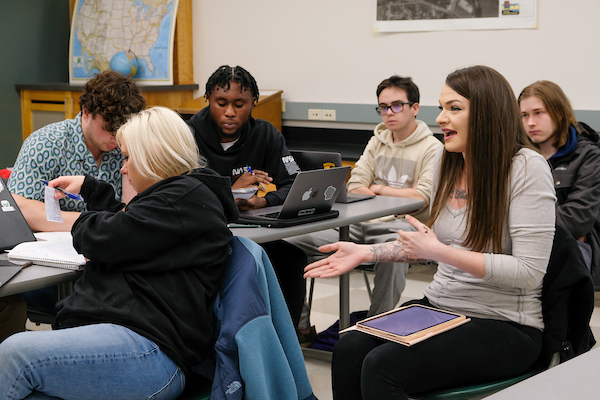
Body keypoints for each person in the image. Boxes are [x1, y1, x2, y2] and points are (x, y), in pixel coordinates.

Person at [304, 65, 556, 400]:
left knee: (382, 366)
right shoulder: (447, 162)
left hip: (506, 322)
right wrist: (367, 252)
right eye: (441, 108)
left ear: (487, 114)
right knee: (349, 346)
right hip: (441, 306)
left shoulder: (526, 167)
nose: (440, 118)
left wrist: (440, 252)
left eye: (454, 108)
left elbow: (529, 273)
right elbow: (428, 245)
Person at [0, 106, 239, 400]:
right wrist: (91, 189)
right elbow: (134, 231)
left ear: (152, 155)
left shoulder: (185, 198)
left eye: (127, 158)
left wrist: (84, 221)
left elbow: (107, 237)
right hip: (133, 340)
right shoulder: (175, 200)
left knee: (14, 354)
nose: (123, 168)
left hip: (151, 351)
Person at [288, 75, 442, 338]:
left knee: (395, 252)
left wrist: (378, 189)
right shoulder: (377, 140)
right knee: (288, 242)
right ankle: (300, 325)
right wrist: (394, 195)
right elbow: (356, 184)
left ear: (415, 108)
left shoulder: (433, 148)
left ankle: (373, 329)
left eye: (396, 106)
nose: (388, 113)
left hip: (400, 228)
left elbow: (421, 197)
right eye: (383, 107)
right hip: (359, 224)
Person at [0, 70, 146, 343]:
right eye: (108, 126)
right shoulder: (47, 143)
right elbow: (18, 208)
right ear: (86, 112)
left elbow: (132, 212)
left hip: (105, 260)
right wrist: (93, 222)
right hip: (53, 267)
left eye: (121, 128)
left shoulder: (125, 145)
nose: (115, 138)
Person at [187, 65, 307, 328]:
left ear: (253, 103)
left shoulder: (265, 134)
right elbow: (178, 192)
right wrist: (231, 191)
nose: (230, 112)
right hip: (203, 236)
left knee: (292, 259)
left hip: (252, 233)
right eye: (221, 103)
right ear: (209, 100)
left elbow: (295, 183)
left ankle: (286, 339)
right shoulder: (187, 136)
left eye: (240, 104)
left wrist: (264, 201)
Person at [519, 81, 600, 279]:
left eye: (539, 113)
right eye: (524, 115)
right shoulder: (517, 155)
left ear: (560, 113)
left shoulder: (589, 156)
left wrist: (522, 216)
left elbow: (576, 221)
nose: (530, 122)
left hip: (571, 253)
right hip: (522, 249)